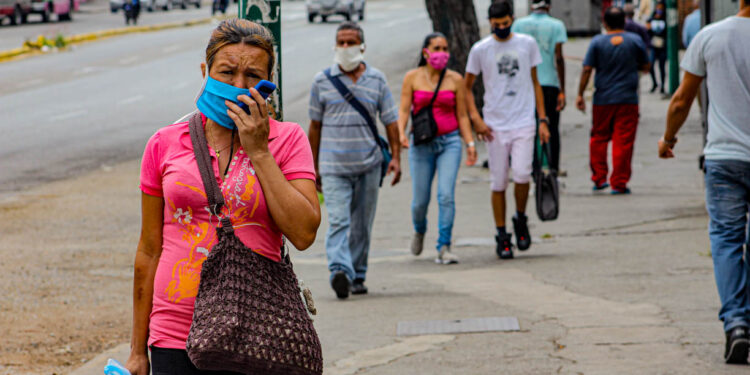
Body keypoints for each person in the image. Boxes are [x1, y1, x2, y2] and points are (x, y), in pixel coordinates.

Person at [125, 19, 321, 375]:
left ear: (268, 84)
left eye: (252, 76)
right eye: (227, 72)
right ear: (205, 70)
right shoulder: (164, 143)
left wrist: (259, 151)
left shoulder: (287, 140)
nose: (238, 86)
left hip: (256, 331)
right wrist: (138, 350)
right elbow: (149, 249)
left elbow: (304, 233)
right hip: (174, 333)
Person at [658, 1, 750, 364]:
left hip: (724, 156)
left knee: (727, 240)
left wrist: (668, 138)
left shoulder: (710, 35)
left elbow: (681, 99)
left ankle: (738, 325)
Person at [308, 21, 401, 299]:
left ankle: (357, 274)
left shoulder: (377, 79)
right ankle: (340, 270)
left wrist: (396, 157)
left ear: (362, 46)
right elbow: (314, 127)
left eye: (351, 42)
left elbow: (391, 122)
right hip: (333, 167)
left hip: (369, 165)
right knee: (338, 220)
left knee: (362, 224)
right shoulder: (321, 81)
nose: (345, 47)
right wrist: (312, 167)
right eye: (341, 42)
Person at [465, 1, 551, 260]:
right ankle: (502, 234)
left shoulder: (526, 44)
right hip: (494, 124)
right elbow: (466, 87)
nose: (501, 28)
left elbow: (536, 83)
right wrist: (476, 118)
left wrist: (543, 119)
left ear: (512, 19)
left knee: (523, 175)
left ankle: (521, 218)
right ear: (490, 23)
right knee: (499, 181)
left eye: (505, 23)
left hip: (524, 120)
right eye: (496, 25)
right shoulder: (481, 49)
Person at [397, 32, 478, 265]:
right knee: (420, 201)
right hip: (421, 144)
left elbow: (462, 115)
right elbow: (403, 110)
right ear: (426, 52)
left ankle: (444, 245)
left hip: (449, 142)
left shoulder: (455, 79)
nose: (442, 53)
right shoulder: (412, 77)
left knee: (445, 195)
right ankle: (419, 230)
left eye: (445, 48)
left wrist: (470, 143)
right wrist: (401, 133)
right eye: (437, 48)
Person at [576, 6, 650, 195]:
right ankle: (619, 182)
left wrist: (580, 94)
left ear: (605, 23)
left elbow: (586, 69)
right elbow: (646, 65)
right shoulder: (635, 41)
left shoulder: (597, 42)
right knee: (623, 141)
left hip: (602, 99)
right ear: (624, 21)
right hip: (628, 99)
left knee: (599, 138)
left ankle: (599, 178)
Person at [512, 0, 568, 174]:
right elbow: (558, 58)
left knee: (529, 128)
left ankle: (534, 170)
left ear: (531, 6)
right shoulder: (556, 25)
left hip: (526, 84)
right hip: (549, 82)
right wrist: (562, 89)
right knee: (552, 127)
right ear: (549, 6)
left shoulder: (519, 25)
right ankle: (553, 168)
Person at [647, 2, 668, 94]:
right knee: (650, 65)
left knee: (661, 67)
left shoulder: (665, 18)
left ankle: (662, 85)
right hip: (653, 45)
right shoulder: (651, 18)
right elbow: (648, 31)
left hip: (662, 46)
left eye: (661, 7)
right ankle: (654, 83)